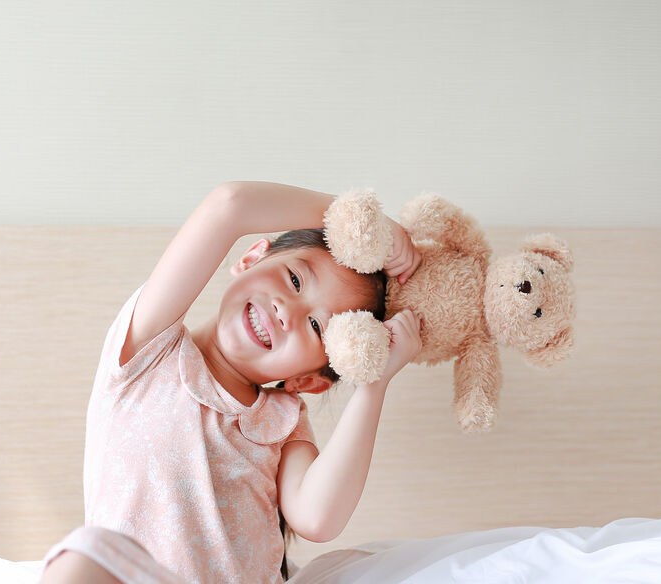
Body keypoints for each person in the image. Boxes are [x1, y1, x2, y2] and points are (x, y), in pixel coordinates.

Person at [38, 181, 423, 584]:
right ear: (251, 258)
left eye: (315, 326)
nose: (286, 311)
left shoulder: (283, 420)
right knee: (81, 556)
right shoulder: (147, 352)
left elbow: (317, 519)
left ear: (307, 380)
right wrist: (364, 224)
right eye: (294, 280)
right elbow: (229, 205)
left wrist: (374, 383)